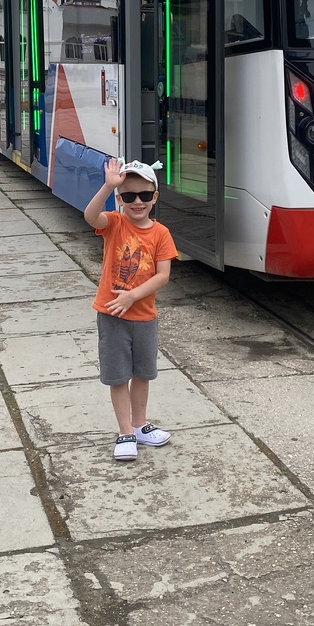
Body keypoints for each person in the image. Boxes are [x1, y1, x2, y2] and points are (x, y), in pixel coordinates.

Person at [84, 157, 178, 461]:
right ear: (119, 199)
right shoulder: (115, 223)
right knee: (117, 376)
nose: (137, 202)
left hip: (144, 317)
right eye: (128, 196)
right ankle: (125, 431)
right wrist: (108, 186)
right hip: (112, 315)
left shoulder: (161, 233)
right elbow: (90, 216)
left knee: (143, 374)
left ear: (155, 197)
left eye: (144, 195)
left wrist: (131, 296)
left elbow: (162, 276)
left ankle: (140, 425)